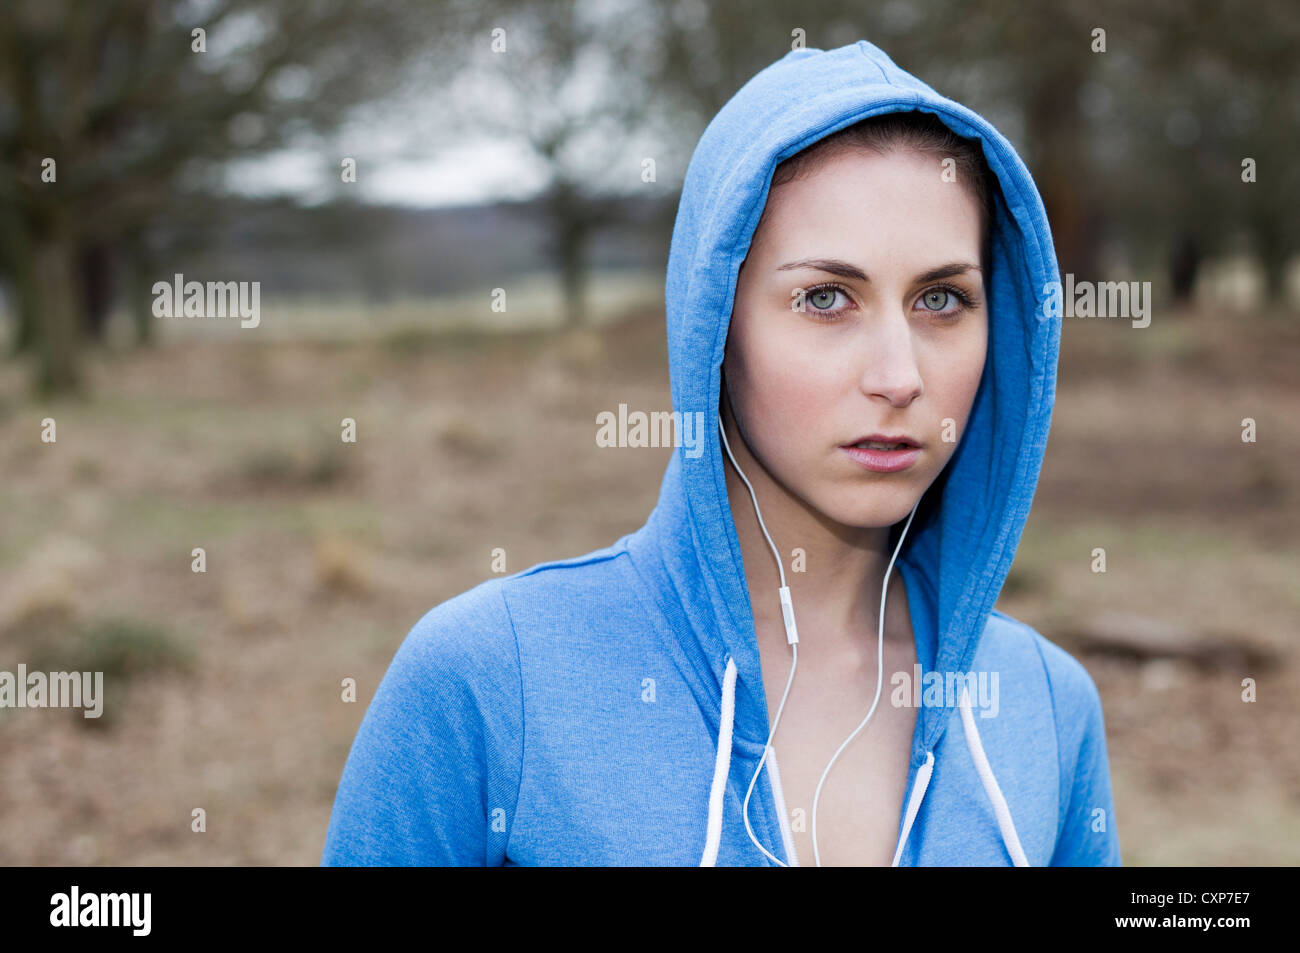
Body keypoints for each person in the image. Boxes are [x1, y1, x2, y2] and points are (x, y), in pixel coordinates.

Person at [320, 39, 1122, 866]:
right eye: (825, 298)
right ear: (714, 322)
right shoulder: (492, 680)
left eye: (943, 299)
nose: (899, 376)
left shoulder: (1046, 707)